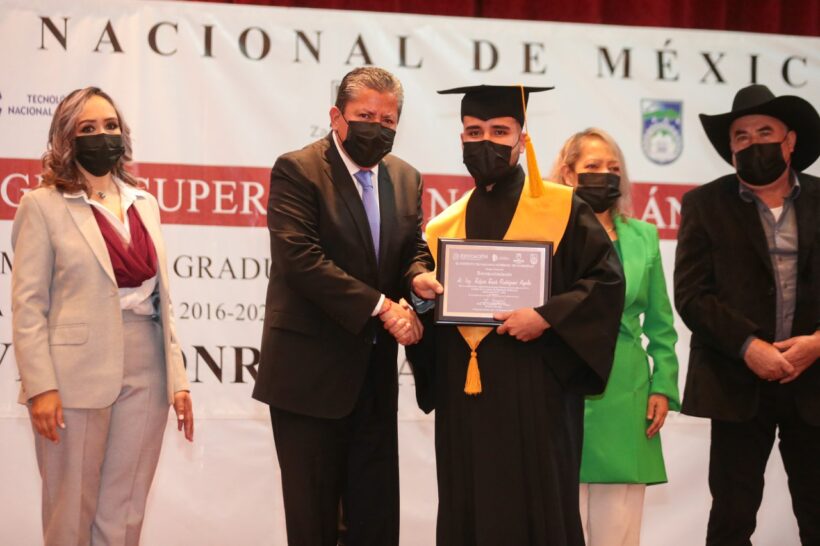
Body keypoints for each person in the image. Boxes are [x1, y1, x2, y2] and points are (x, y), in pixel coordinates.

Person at [408, 85, 625, 546]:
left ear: (522, 138)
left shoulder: (563, 207)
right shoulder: (444, 225)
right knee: (470, 503)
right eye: (474, 132)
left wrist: (547, 316)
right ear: (461, 138)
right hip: (467, 397)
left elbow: (605, 282)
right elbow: (431, 312)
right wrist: (423, 299)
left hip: (538, 390)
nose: (485, 141)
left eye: (499, 131)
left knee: (537, 507)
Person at [252, 67, 435, 546]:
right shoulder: (298, 169)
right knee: (313, 522)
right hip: (309, 379)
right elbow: (300, 260)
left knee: (375, 520)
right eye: (365, 116)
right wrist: (382, 307)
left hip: (374, 378)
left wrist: (418, 277)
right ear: (337, 116)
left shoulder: (406, 177)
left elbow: (411, 247)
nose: (378, 128)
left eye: (388, 120)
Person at [11, 87, 194, 546]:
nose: (102, 136)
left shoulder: (144, 202)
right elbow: (28, 305)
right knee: (71, 510)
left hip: (147, 367)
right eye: (88, 128)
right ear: (66, 139)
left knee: (126, 511)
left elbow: (163, 301)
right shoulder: (42, 204)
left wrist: (178, 379)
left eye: (110, 126)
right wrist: (41, 386)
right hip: (72, 374)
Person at [674, 84, 820, 545]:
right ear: (731, 148)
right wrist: (749, 346)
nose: (753, 142)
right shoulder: (704, 204)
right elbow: (692, 295)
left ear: (790, 141)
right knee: (732, 519)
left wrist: (817, 344)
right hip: (736, 379)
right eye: (741, 136)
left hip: (814, 379)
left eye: (764, 132)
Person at [550, 128, 680, 546]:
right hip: (560, 383)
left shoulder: (643, 236)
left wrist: (663, 385)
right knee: (558, 517)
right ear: (568, 173)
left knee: (618, 527)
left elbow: (661, 324)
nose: (605, 174)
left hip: (626, 389)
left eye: (613, 168)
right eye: (592, 166)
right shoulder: (546, 231)